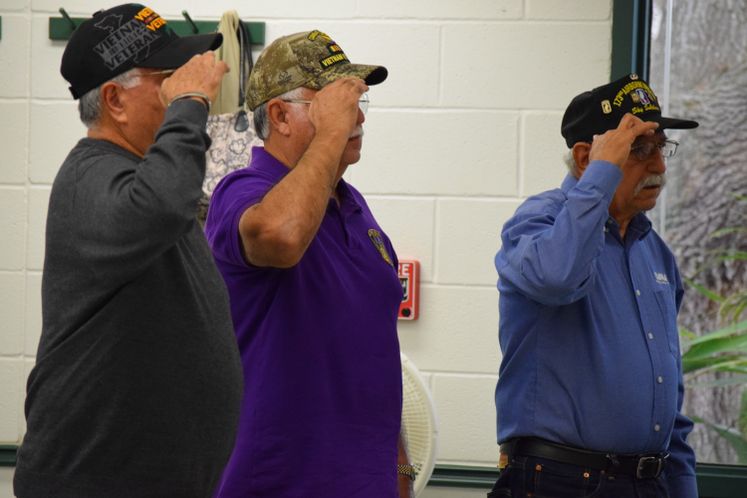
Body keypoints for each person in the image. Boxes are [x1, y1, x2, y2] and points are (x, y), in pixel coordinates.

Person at [14, 4, 243, 498]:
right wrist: (189, 105)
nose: (188, 89)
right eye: (170, 79)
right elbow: (160, 207)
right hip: (92, 481)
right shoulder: (90, 176)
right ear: (115, 100)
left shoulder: (148, 176)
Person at [204, 30, 414, 498]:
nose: (356, 118)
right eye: (335, 104)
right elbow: (282, 236)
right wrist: (331, 135)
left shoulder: (354, 208)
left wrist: (398, 468)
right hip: (280, 482)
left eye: (358, 103)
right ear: (280, 115)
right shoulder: (242, 192)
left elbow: (372, 351)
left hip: (367, 481)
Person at [489, 74, 700, 498]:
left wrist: (682, 484)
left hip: (649, 481)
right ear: (586, 158)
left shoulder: (653, 251)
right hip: (562, 481)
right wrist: (601, 177)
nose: (658, 165)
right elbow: (557, 278)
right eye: (639, 149)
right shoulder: (538, 222)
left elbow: (666, 385)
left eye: (660, 147)